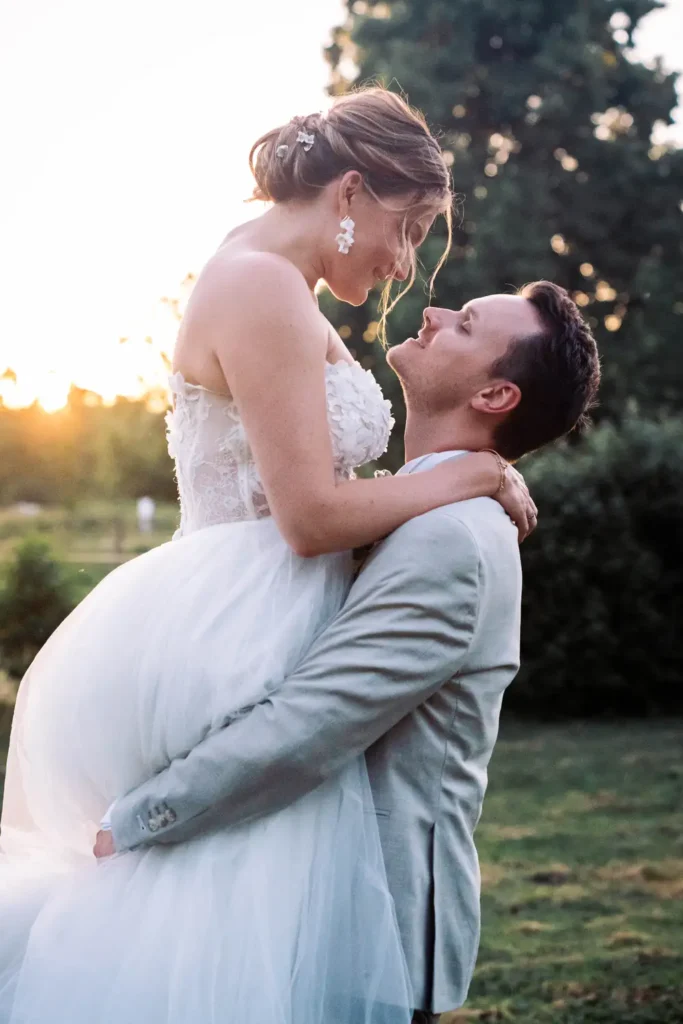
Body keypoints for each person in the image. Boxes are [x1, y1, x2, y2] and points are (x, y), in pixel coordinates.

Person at [0, 88, 535, 1024]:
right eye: (406, 229)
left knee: (229, 905)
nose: (405, 263)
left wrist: (457, 478)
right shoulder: (257, 285)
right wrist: (473, 479)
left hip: (260, 603)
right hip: (235, 621)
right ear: (352, 194)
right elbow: (309, 515)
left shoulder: (275, 285)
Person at [96, 283, 600, 1022]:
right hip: (306, 901)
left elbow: (309, 726)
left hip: (373, 938)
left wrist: (137, 822)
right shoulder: (413, 506)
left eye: (463, 324)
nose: (431, 312)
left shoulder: (451, 540)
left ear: (495, 393)